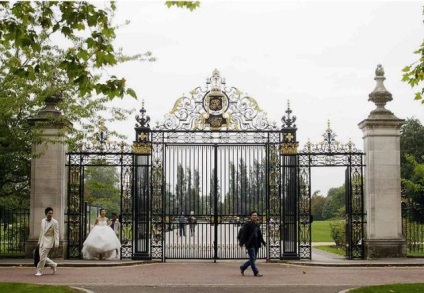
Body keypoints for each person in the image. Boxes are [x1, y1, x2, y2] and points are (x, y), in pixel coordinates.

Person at [239, 211, 266, 277]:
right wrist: (242, 243)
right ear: (250, 216)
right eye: (253, 215)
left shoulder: (257, 225)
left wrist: (263, 242)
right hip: (250, 244)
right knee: (252, 258)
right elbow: (244, 234)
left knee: (253, 259)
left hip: (256, 243)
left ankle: (243, 267)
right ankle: (256, 272)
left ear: (257, 217)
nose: (254, 216)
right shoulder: (247, 224)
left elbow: (259, 235)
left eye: (256, 215)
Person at [35, 207, 59, 276]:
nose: (50, 214)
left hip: (49, 242)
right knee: (42, 257)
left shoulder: (55, 222)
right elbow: (41, 232)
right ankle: (53, 264)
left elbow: (56, 233)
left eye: (51, 213)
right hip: (42, 241)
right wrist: (39, 241)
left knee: (42, 257)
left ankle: (39, 271)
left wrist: (56, 244)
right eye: (49, 213)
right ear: (46, 213)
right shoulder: (43, 221)